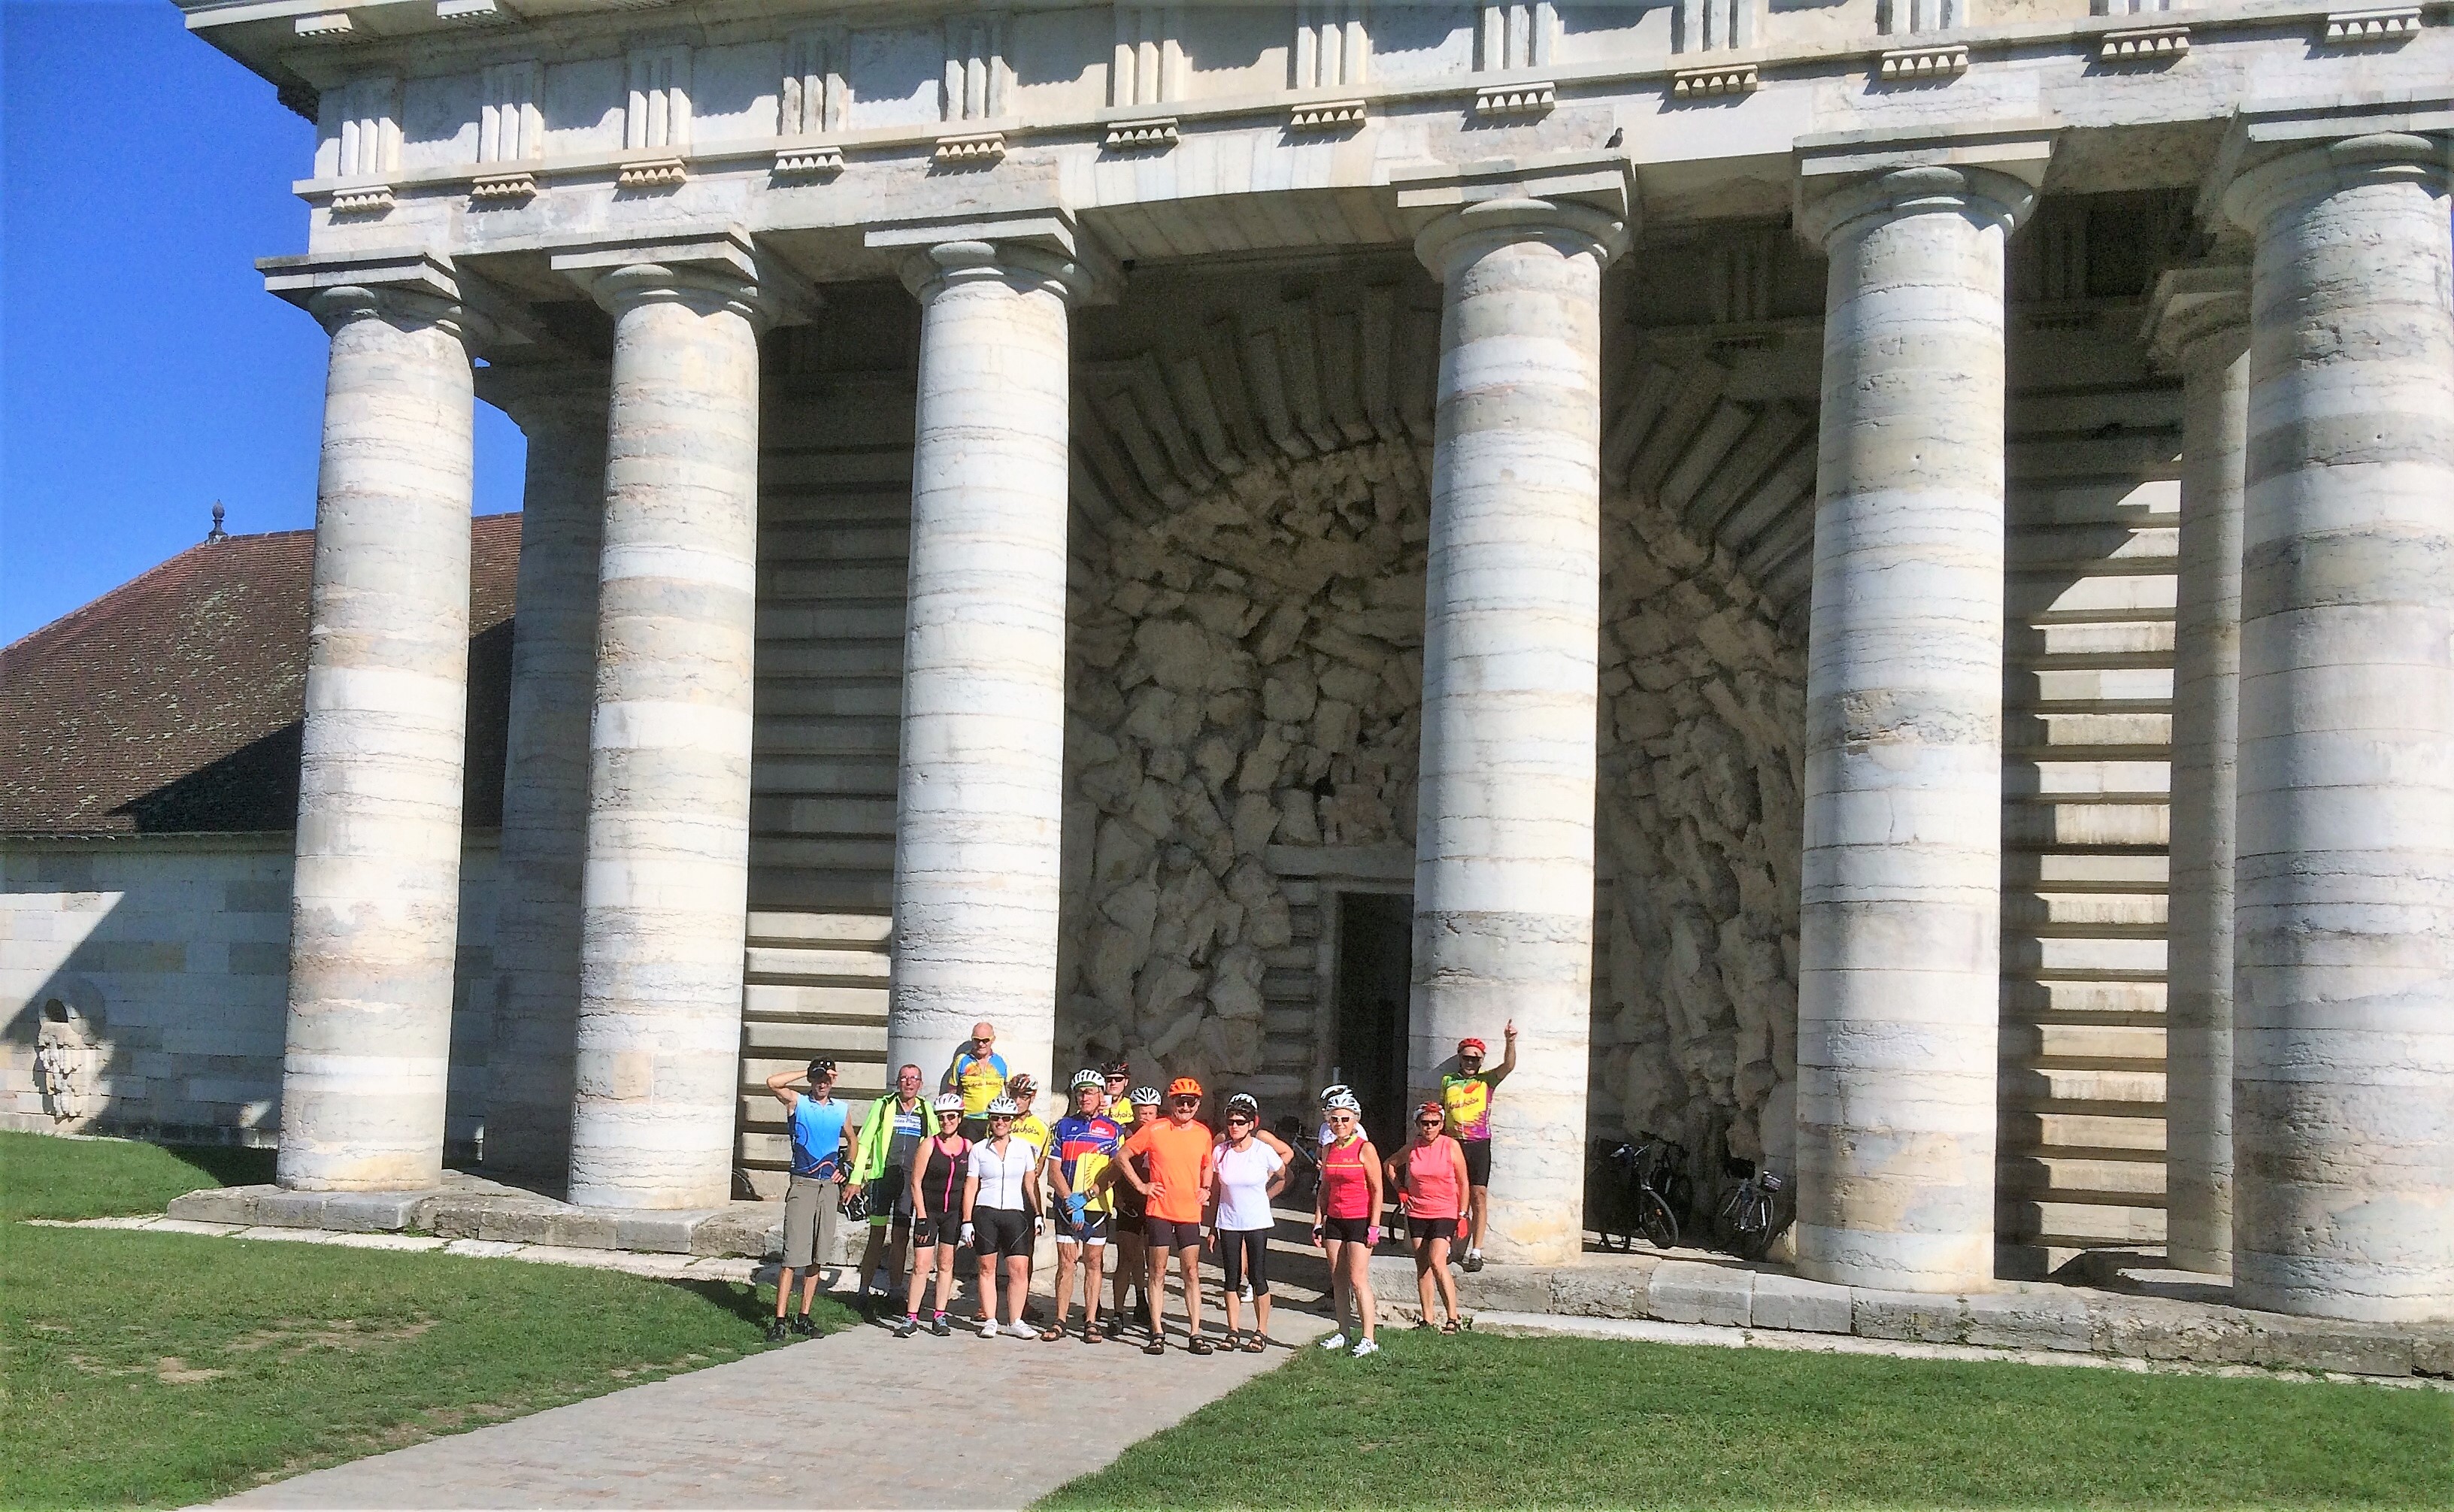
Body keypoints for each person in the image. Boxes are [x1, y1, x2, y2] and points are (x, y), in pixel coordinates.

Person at [1119, 1077, 1216, 1355]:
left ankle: (1195, 1332)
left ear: (1198, 1104)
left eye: (1191, 1101)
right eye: (1180, 1101)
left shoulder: (1202, 1133)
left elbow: (1207, 1165)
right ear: (1171, 1102)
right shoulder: (1155, 1128)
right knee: (1158, 1271)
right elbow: (1123, 1156)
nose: (1185, 1106)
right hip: (1159, 1209)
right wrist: (1141, 1186)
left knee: (1191, 1271)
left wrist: (1206, 1189)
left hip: (1189, 1211)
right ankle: (1157, 1331)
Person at [766, 1059, 851, 1343]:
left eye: (827, 1077)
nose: (822, 1082)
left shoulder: (841, 1109)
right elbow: (773, 1083)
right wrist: (808, 1070)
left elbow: (853, 1140)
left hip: (828, 1186)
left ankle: (803, 1316)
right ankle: (780, 1320)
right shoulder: (798, 1103)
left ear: (834, 1079)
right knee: (792, 1256)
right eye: (818, 1078)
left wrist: (847, 1169)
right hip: (802, 1184)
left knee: (818, 1254)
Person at [847, 1062, 929, 1317]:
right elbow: (865, 1141)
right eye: (904, 1078)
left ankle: (895, 1292)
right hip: (883, 1179)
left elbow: (934, 1143)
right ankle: (863, 1291)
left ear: (920, 1084)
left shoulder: (926, 1110)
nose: (908, 1082)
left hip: (908, 1182)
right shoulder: (883, 1106)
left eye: (913, 1078)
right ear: (898, 1082)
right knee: (876, 1234)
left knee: (901, 1238)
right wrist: (856, 1178)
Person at [1045, 1068, 1122, 1341]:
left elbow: (1115, 1172)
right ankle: (1060, 1320)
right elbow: (1053, 1171)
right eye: (1080, 1092)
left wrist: (1087, 1196)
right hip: (1068, 1205)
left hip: (1096, 1206)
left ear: (1101, 1094)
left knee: (1093, 1262)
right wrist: (1069, 1200)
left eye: (1089, 1091)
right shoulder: (1063, 1126)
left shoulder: (1113, 1130)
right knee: (1067, 1263)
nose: (1084, 1097)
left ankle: (1091, 1321)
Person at [962, 1095, 1044, 1339]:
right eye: (995, 1118)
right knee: (987, 1268)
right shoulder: (978, 1149)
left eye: (1005, 1118)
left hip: (1015, 1212)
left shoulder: (1024, 1149)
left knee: (1019, 1268)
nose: (1000, 1122)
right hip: (985, 1212)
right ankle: (990, 1320)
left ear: (1012, 1121)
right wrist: (967, 1220)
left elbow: (1031, 1183)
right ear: (990, 1120)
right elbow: (970, 1185)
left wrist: (1038, 1213)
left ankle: (1016, 1320)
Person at [1210, 1097, 1286, 1352]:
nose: (1234, 1127)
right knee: (1231, 1278)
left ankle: (1260, 1331)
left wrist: (1267, 1196)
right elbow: (1215, 1189)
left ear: (1252, 1124)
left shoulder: (1262, 1150)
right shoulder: (1220, 1151)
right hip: (1229, 1221)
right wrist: (1211, 1227)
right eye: (1230, 1122)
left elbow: (1283, 1176)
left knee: (1257, 1275)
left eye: (1240, 1123)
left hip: (1256, 1221)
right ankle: (1232, 1330)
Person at [1441, 1021, 1517, 1271]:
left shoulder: (1487, 1080)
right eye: (1466, 1057)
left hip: (1478, 1143)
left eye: (1475, 1059)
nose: (1470, 1062)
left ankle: (1476, 1251)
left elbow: (1508, 1066)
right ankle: (1455, 1248)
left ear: (1482, 1061)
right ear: (1459, 1058)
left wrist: (1509, 1041)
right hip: (1453, 1143)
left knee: (1478, 1196)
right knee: (1454, 1196)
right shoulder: (1448, 1081)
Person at [1313, 1090, 1383, 1358]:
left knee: (1357, 1278)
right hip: (1335, 1219)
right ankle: (1343, 1332)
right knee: (1338, 1278)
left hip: (1359, 1219)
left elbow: (1377, 1190)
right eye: (1334, 1119)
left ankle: (1368, 1337)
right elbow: (1324, 1189)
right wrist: (1318, 1222)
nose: (1339, 1124)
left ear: (1355, 1121)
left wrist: (1374, 1227)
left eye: (1345, 1119)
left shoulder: (1365, 1148)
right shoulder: (1329, 1149)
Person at [895, 1093, 971, 1338]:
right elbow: (916, 1183)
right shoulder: (929, 1145)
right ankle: (911, 1317)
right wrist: (921, 1217)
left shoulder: (968, 1147)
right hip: (930, 1212)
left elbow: (972, 1183)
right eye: (942, 1118)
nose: (946, 1121)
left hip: (953, 1214)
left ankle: (940, 1315)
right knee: (920, 1265)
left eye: (951, 1117)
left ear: (959, 1118)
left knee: (946, 1264)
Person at [1392, 1101, 1471, 1332]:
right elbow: (1390, 1165)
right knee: (1422, 1265)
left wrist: (1463, 1215)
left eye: (1435, 1123)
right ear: (1418, 1124)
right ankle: (1427, 1319)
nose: (1430, 1128)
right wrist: (1401, 1190)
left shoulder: (1451, 1146)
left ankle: (1453, 1318)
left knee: (1438, 1261)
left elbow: (1464, 1181)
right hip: (1417, 1211)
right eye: (1425, 1123)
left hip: (1445, 1211)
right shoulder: (1412, 1148)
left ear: (1441, 1124)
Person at [1103, 1086, 1162, 1334]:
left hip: (1156, 1203)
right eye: (1141, 1112)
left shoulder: (1164, 1132)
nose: (1145, 1117)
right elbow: (1113, 1165)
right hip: (1129, 1201)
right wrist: (1115, 1195)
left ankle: (1144, 1304)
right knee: (1126, 1257)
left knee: (1154, 1263)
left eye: (1150, 1113)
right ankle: (1117, 1312)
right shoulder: (1123, 1133)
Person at [943, 1020, 1008, 1138]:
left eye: (985, 1040)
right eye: (977, 1040)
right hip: (969, 1120)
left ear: (993, 1039)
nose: (981, 1044)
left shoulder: (1002, 1060)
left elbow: (1010, 1091)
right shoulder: (962, 1060)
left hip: (994, 1118)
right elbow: (952, 1091)